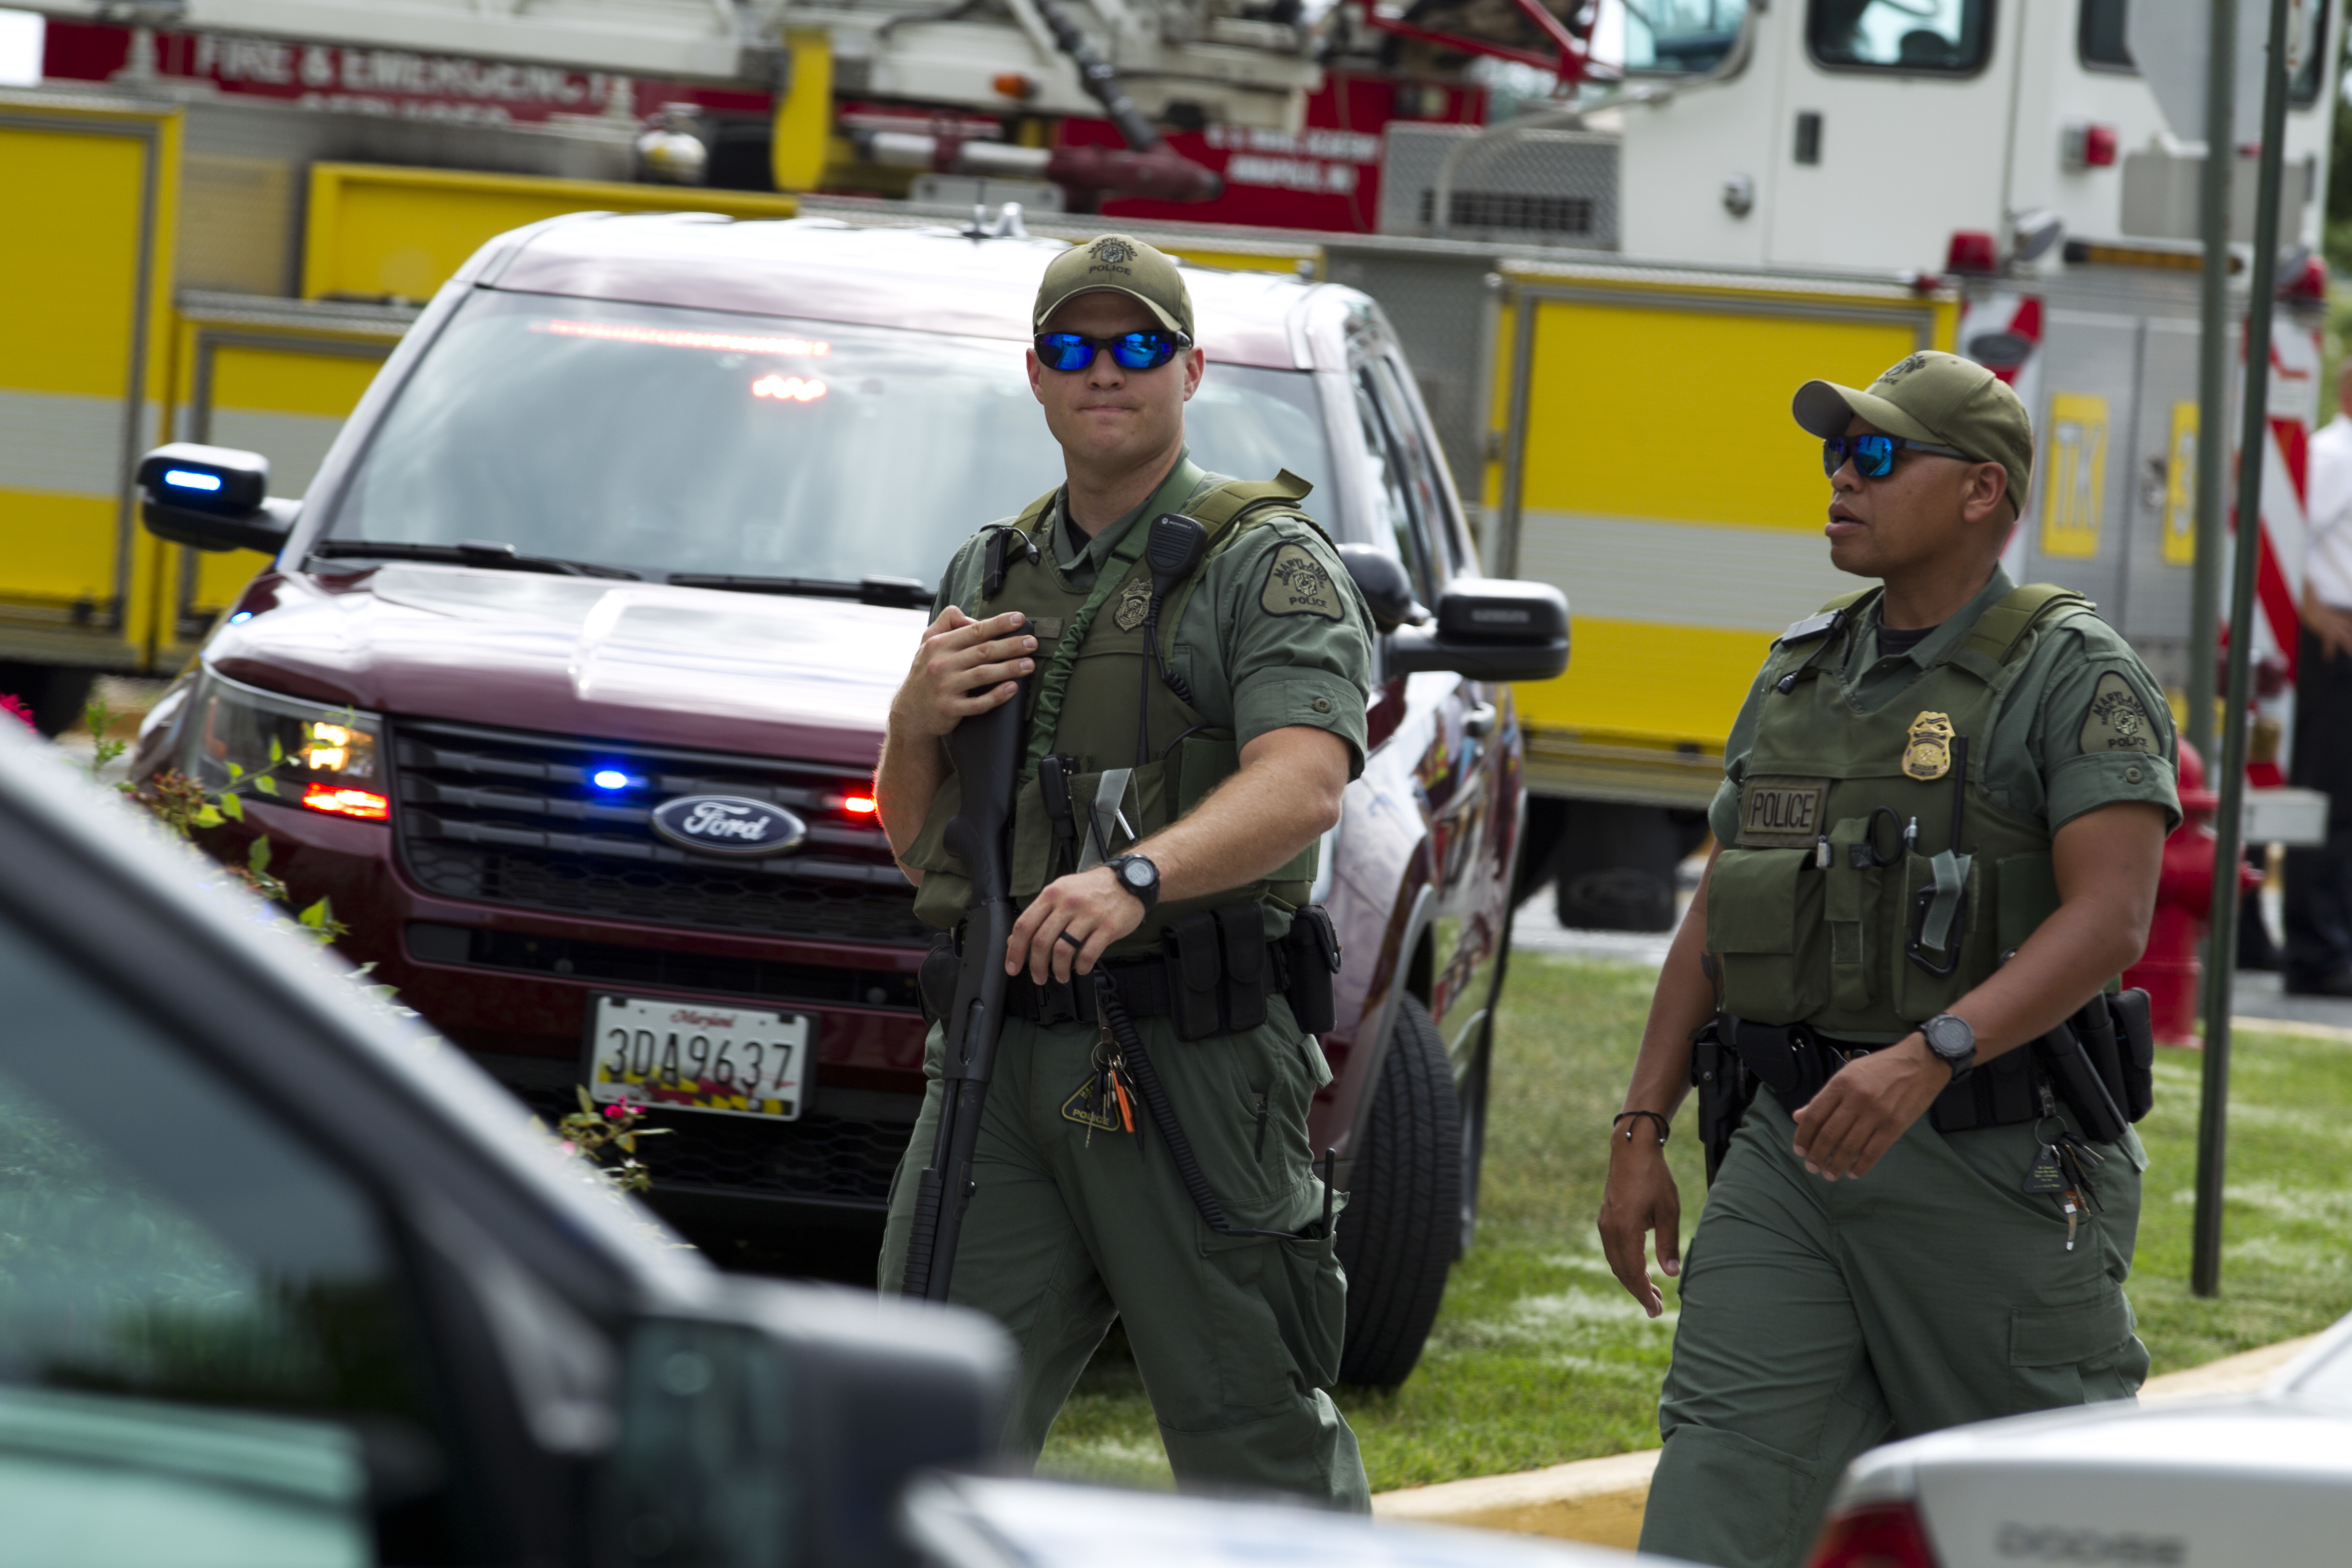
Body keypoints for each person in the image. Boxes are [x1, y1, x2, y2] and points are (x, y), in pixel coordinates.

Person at [1596, 351, 2177, 1568]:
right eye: (1833, 455)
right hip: (1790, 1147)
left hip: (1992, 1157)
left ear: (1981, 493)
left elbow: (2111, 919)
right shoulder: (1804, 669)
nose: (1839, 480)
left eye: (1874, 455)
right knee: (1720, 1481)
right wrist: (1641, 1127)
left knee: (2035, 1517)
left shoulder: (2073, 672)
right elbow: (1721, 905)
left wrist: (1930, 1056)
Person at [872, 234, 1374, 1507]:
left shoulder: (1267, 563)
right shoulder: (991, 573)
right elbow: (914, 837)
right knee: (911, 1419)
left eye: (1138, 346)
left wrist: (1132, 882)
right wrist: (913, 715)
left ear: (1191, 370)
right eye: (1076, 348)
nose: (1108, 371)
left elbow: (1305, 780)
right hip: (996, 1056)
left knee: (1251, 1441)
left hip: (1191, 1059)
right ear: (1035, 377)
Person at [2283, 359, 2352, 994]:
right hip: (2336, 641)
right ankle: (2316, 952)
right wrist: (2318, 613)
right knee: (2327, 802)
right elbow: (2290, 537)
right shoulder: (2334, 454)